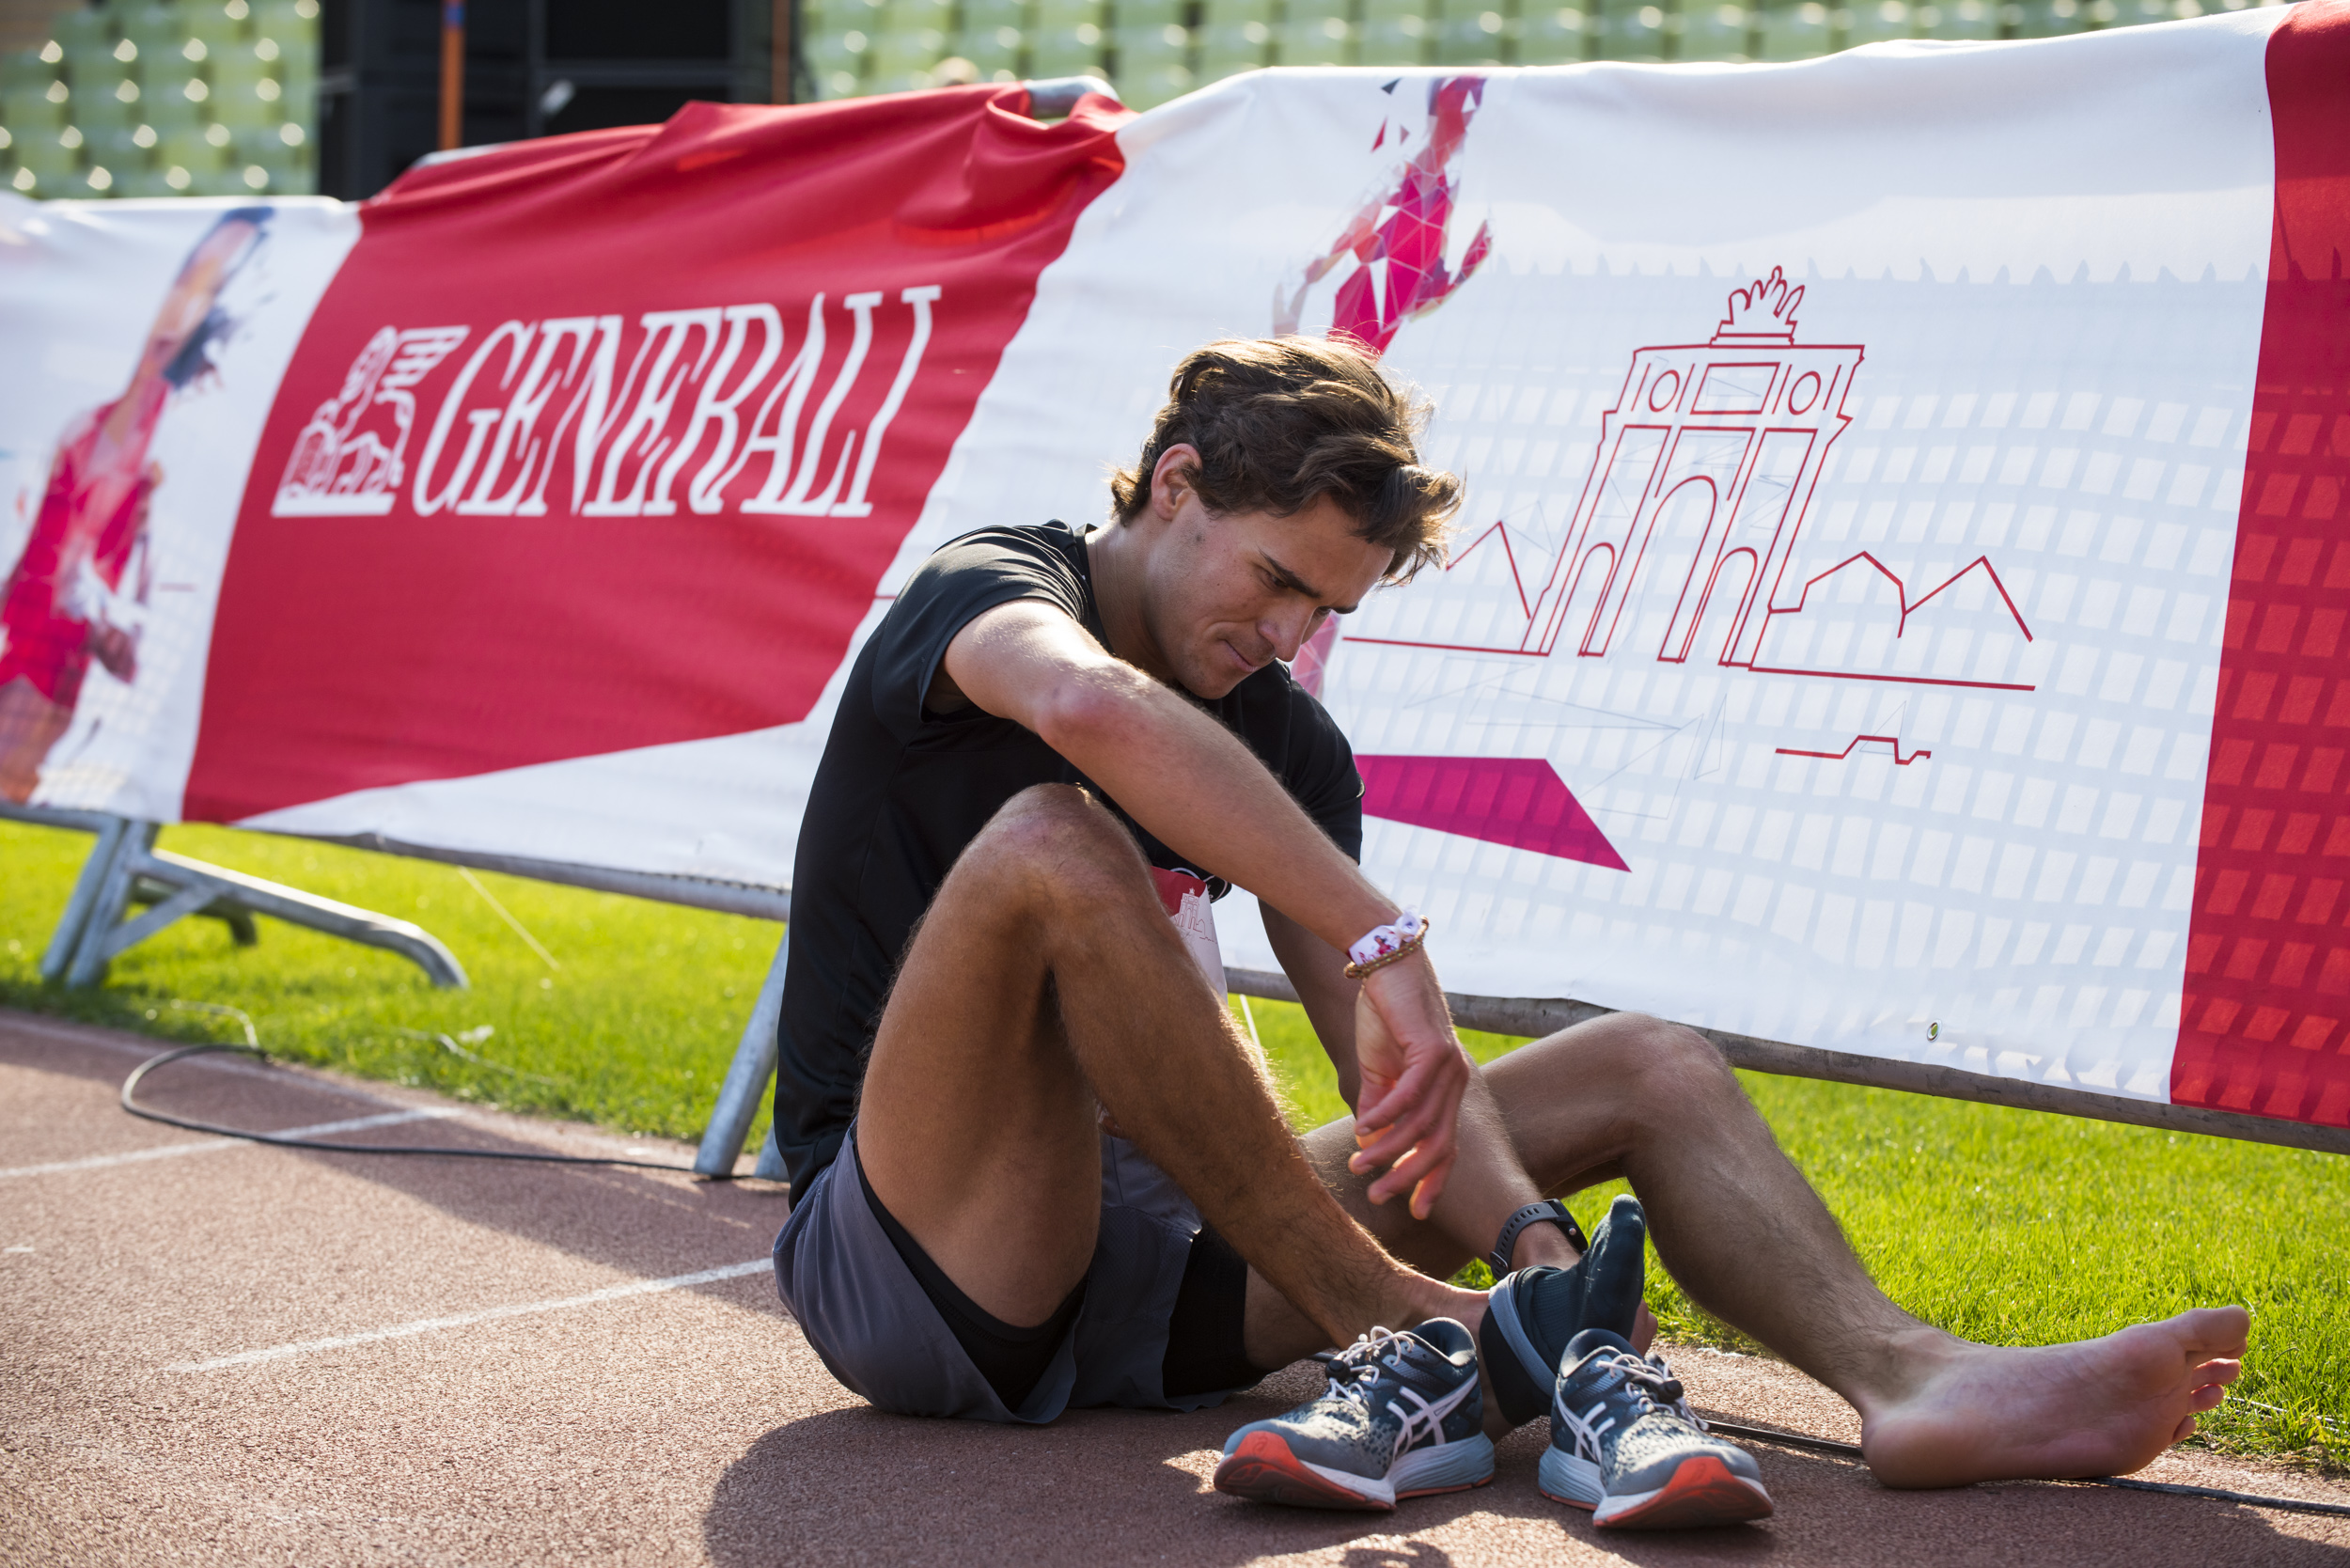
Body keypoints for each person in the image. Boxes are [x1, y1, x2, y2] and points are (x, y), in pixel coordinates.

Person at [768, 336, 2248, 1527]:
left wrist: (1531, 1237)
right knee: (1055, 841)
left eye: (1323, 611)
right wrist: (1379, 929)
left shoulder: (1287, 743)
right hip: (917, 1269)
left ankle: (1912, 1380)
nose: (1287, 636)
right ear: (1175, 486)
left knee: (1649, 1064)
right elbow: (1089, 713)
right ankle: (1417, 1330)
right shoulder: (990, 589)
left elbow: (1394, 1087)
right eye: (1278, 579)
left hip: (1158, 1288)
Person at [0, 207, 268, 804]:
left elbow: (160, 635)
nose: (185, 307)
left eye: (212, 289)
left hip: (75, 694)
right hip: (23, 655)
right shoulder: (81, 421)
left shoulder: (189, 453)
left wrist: (104, 617)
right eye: (186, 280)